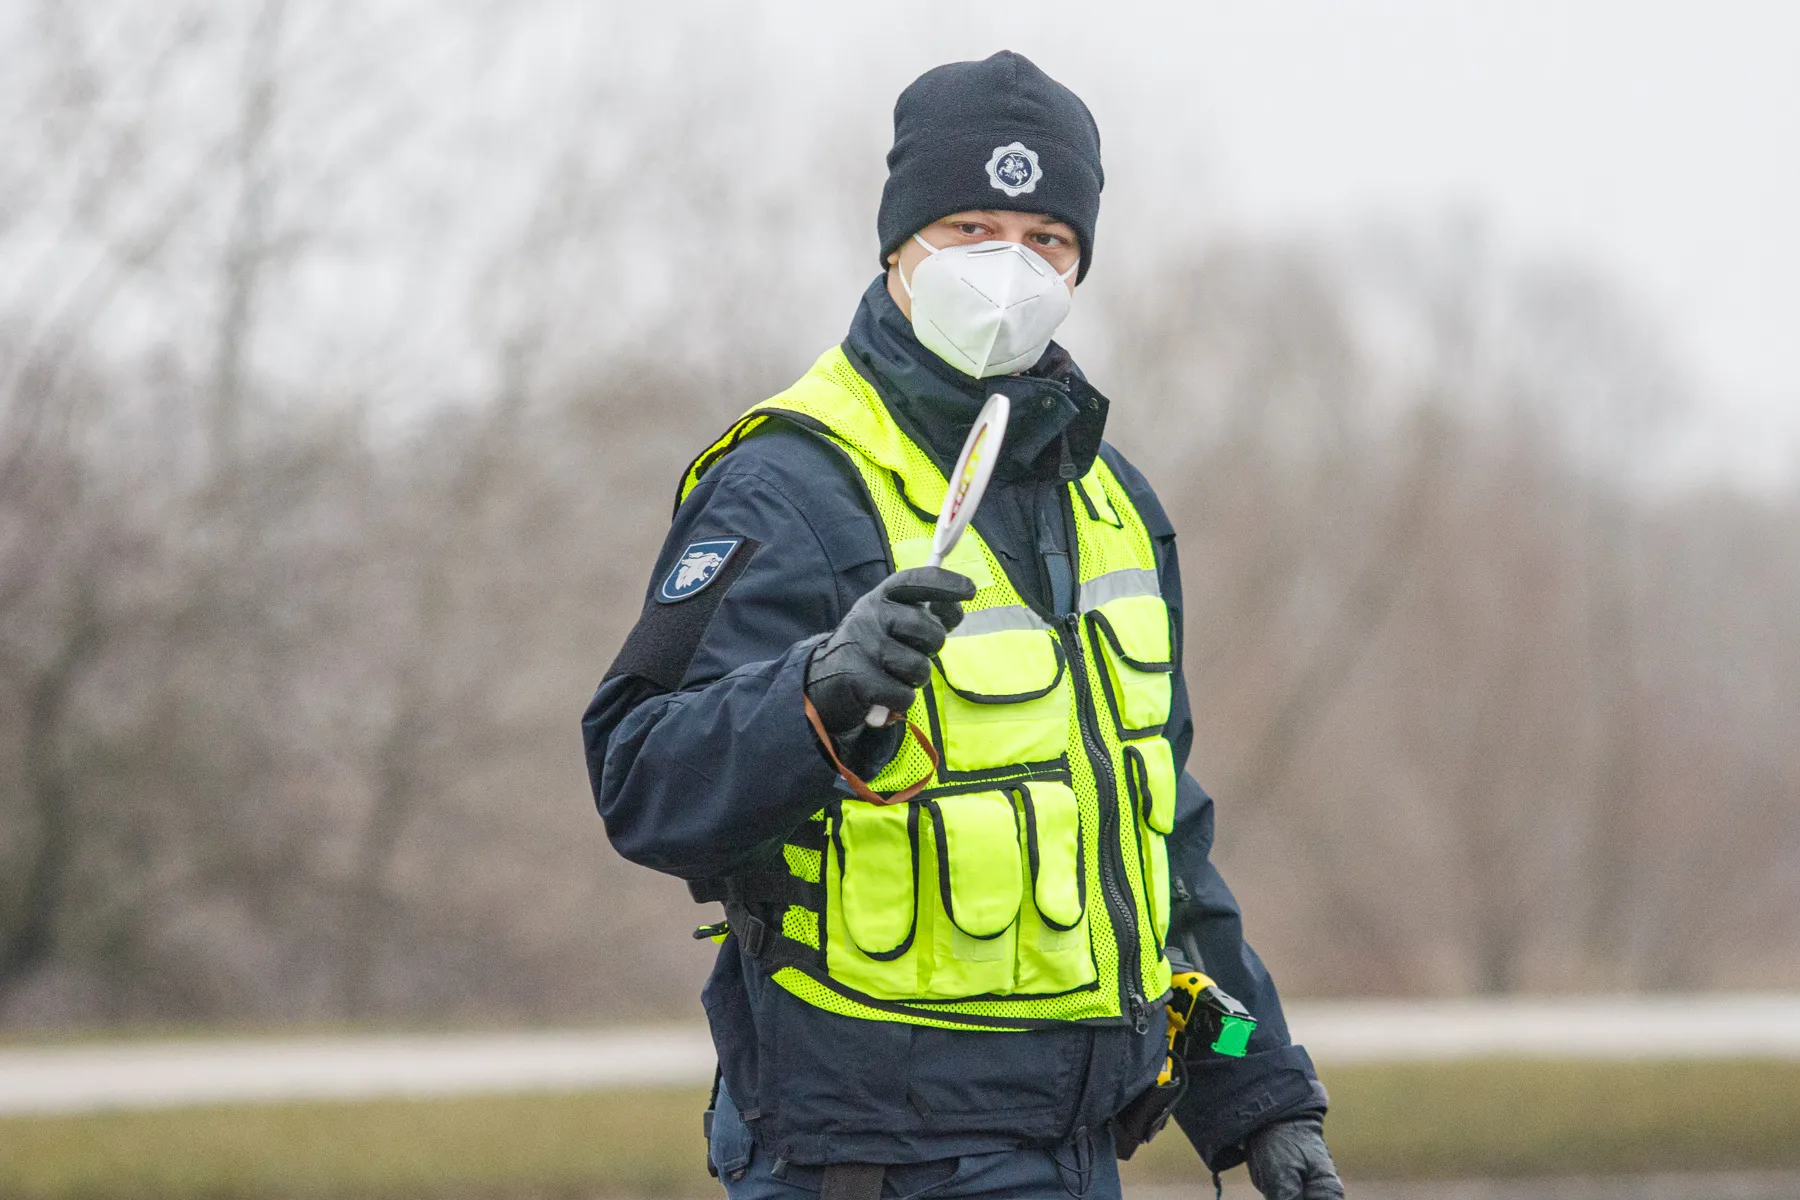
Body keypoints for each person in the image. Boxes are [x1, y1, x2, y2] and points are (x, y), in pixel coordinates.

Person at [584, 51, 1345, 1200]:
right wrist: (815, 697)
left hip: (1076, 1155)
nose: (1009, 268)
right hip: (869, 1161)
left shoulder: (1116, 505)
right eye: (972, 228)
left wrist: (1262, 1099)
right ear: (897, 247)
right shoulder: (787, 483)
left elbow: (1156, 851)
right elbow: (639, 778)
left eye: (1047, 240)